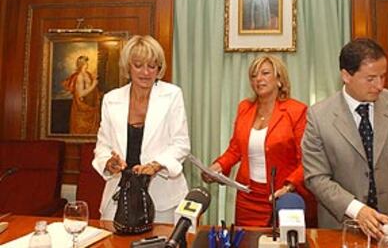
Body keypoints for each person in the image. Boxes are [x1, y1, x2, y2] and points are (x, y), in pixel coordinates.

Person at [302, 38, 388, 238]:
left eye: (383, 76)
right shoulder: (319, 117)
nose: (379, 86)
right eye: (370, 79)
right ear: (346, 75)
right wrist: (357, 210)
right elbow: (316, 177)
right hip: (343, 228)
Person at [202, 55, 317, 227]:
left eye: (265, 73)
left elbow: (307, 160)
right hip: (248, 197)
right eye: (254, 75)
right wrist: (216, 168)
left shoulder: (297, 111)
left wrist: (288, 187)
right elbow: (235, 150)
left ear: (279, 80)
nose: (259, 79)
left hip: (283, 196)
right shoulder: (245, 108)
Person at [92, 35, 190, 223]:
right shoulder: (111, 99)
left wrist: (157, 165)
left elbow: (181, 144)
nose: (145, 72)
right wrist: (108, 163)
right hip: (119, 196)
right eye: (138, 65)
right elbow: (102, 146)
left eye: (152, 66)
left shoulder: (172, 95)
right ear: (128, 66)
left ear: (159, 68)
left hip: (163, 198)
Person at [62, 55, 101, 134]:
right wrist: (93, 84)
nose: (87, 64)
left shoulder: (88, 74)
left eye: (87, 61)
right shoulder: (80, 76)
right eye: (86, 62)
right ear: (82, 64)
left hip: (91, 107)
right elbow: (80, 94)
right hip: (83, 109)